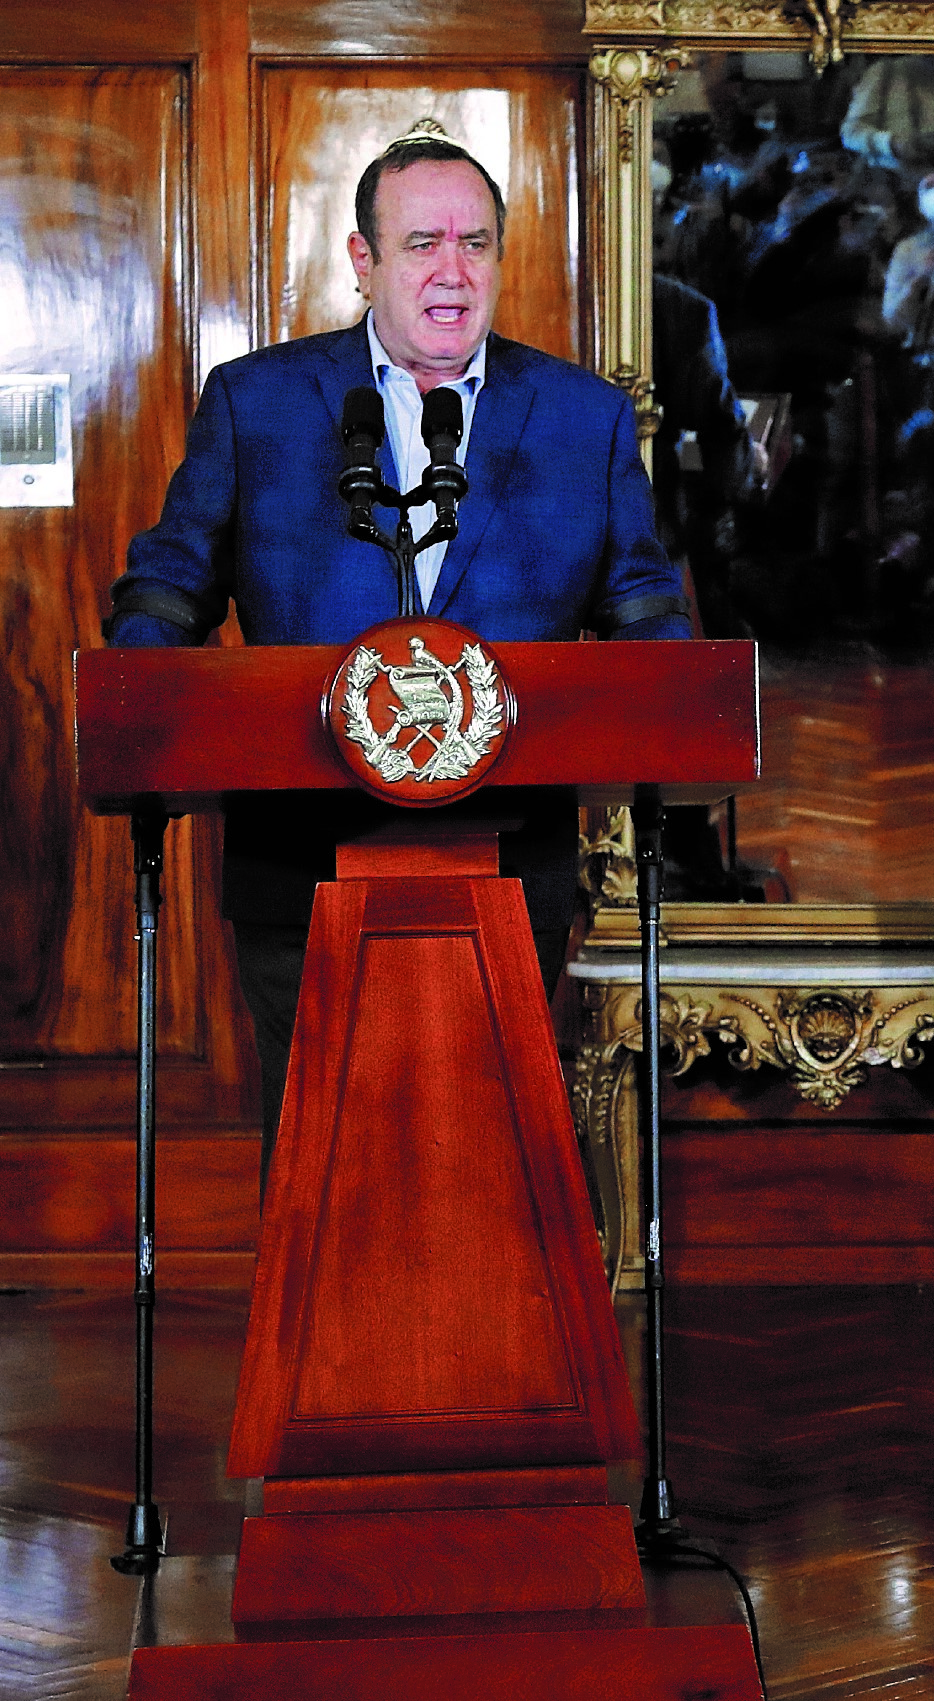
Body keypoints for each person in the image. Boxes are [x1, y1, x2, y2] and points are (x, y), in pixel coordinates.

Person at [104, 126, 690, 1174]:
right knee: (326, 1162)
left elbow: (643, 599)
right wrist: (141, 710)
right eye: (422, 243)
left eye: (476, 243)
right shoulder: (260, 404)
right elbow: (170, 581)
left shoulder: (581, 419)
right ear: (364, 261)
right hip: (303, 863)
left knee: (487, 1161)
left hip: (511, 865)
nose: (453, 272)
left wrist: (672, 691)